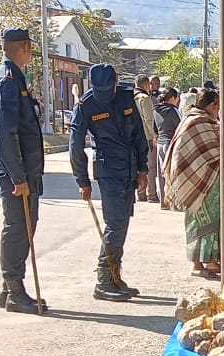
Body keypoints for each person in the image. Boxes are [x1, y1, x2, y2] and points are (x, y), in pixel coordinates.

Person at [70, 64, 150, 301]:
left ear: (116, 83)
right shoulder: (85, 105)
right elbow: (75, 145)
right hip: (108, 171)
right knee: (114, 225)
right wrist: (82, 180)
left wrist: (143, 169)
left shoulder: (126, 97)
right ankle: (104, 280)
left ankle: (115, 276)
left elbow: (138, 134)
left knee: (121, 224)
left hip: (129, 168)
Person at [0, 28, 46, 314]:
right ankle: (15, 290)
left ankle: (10, 289)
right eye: (31, 47)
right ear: (24, 46)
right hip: (16, 171)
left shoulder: (13, 77)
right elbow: (6, 132)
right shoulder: (6, 80)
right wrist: (18, 176)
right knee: (19, 228)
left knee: (25, 226)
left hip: (23, 168)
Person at [164, 89, 224, 279]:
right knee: (201, 219)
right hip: (197, 179)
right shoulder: (197, 121)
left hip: (205, 177)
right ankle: (199, 263)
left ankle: (210, 261)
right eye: (218, 105)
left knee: (210, 219)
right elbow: (212, 148)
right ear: (212, 105)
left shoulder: (196, 119)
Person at [131, 75, 160, 203]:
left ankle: (140, 193)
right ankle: (151, 195)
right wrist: (153, 136)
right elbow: (149, 120)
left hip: (132, 137)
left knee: (137, 166)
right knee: (150, 167)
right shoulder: (145, 98)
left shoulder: (130, 97)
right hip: (145, 137)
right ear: (147, 84)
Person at [153, 87, 182, 205]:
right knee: (173, 173)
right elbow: (181, 127)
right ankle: (174, 201)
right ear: (172, 98)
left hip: (160, 143)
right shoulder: (173, 111)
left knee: (162, 174)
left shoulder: (155, 110)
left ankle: (163, 201)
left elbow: (154, 128)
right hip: (172, 144)